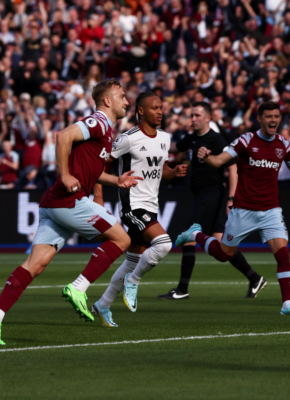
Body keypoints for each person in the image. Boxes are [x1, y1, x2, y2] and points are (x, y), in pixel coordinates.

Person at [0, 79, 142, 345]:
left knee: (36, 264)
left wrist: (117, 180)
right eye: (122, 96)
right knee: (122, 239)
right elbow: (62, 136)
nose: (127, 101)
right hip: (69, 199)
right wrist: (65, 174)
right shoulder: (98, 121)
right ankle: (79, 287)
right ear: (108, 100)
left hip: (53, 203)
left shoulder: (106, 131)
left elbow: (93, 171)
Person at [175, 101, 290, 315]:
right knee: (224, 254)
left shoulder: (284, 145)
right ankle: (195, 234)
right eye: (268, 116)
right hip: (243, 210)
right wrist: (206, 157)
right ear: (260, 119)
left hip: (271, 210)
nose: (273, 120)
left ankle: (287, 305)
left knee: (282, 254)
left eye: (276, 116)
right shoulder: (246, 140)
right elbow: (219, 162)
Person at [92, 92, 187, 327]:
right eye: (155, 107)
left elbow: (160, 170)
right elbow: (97, 166)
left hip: (151, 205)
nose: (160, 111)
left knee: (132, 260)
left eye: (161, 107)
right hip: (131, 206)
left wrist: (172, 173)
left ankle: (102, 304)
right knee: (164, 243)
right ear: (141, 111)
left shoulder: (165, 138)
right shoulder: (127, 138)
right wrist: (98, 196)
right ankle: (133, 282)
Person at [164, 101, 266, 300]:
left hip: (211, 195)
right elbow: (176, 148)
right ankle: (254, 278)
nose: (193, 119)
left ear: (208, 118)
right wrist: (151, 142)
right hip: (204, 195)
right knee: (221, 246)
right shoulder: (192, 137)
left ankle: (182, 290)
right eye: (191, 115)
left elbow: (233, 168)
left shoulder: (216, 140)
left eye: (197, 116)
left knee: (189, 236)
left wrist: (231, 198)